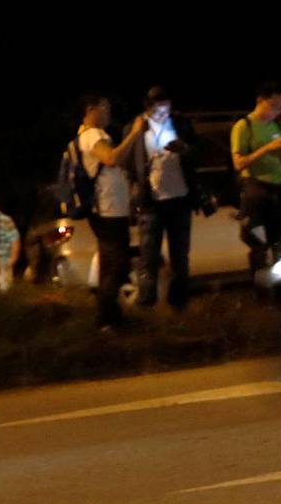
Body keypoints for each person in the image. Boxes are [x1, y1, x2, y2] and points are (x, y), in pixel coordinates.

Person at [73, 96, 145, 329]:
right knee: (118, 264)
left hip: (110, 208)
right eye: (105, 108)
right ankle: (106, 317)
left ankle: (110, 318)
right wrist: (134, 133)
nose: (109, 113)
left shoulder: (91, 134)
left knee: (109, 263)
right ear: (90, 109)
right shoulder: (92, 134)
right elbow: (111, 158)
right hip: (107, 209)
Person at [126, 86, 200, 310]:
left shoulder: (181, 123)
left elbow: (198, 152)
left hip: (180, 198)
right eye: (159, 109)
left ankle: (179, 304)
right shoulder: (136, 128)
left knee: (180, 256)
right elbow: (128, 163)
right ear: (147, 108)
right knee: (148, 255)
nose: (163, 113)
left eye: (166, 108)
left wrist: (184, 148)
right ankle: (147, 303)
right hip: (151, 202)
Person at [231, 82, 281, 288]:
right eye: (274, 105)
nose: (278, 110)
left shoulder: (278, 125)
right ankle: (260, 289)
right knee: (258, 244)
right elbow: (238, 163)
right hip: (256, 189)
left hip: (279, 189)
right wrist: (268, 148)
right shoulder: (244, 126)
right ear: (260, 101)